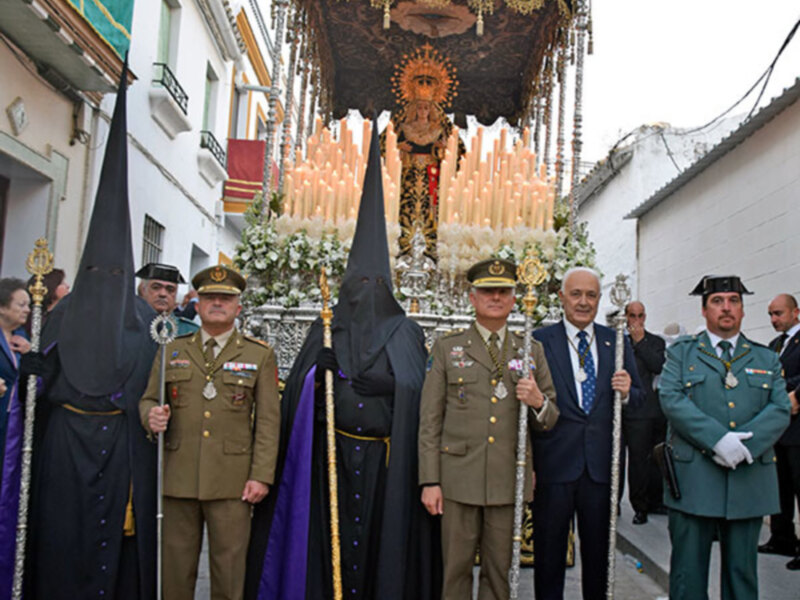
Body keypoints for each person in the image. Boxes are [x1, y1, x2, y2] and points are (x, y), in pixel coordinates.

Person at [245, 118, 439, 600]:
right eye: (360, 286)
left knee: (377, 550)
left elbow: (423, 392)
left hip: (384, 462)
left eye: (376, 286)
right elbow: (292, 399)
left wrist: (394, 387)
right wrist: (316, 374)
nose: (366, 295)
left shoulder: (406, 330)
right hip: (329, 459)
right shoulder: (326, 326)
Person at [0, 63, 159, 600]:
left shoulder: (148, 326)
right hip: (65, 447)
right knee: (62, 540)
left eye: (117, 274)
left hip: (121, 450)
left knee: (113, 544)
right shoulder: (58, 318)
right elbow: (30, 403)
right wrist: (32, 375)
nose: (108, 282)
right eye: (99, 273)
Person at [418, 258, 559, 600]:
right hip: (457, 478)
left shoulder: (530, 351)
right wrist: (430, 481)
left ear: (514, 299)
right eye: (487, 291)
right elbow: (430, 420)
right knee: (455, 570)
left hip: (507, 478)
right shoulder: (448, 349)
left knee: (500, 574)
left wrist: (538, 401)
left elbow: (551, 416)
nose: (495, 297)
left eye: (503, 291)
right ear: (472, 298)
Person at [140, 264, 280, 600]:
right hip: (178, 476)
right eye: (209, 297)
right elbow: (148, 399)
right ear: (197, 304)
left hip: (232, 481)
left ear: (238, 307)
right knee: (174, 572)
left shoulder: (258, 355)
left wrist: (261, 475)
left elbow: (268, 421)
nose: (217, 303)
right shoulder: (171, 349)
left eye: (225, 298)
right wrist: (151, 418)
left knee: (229, 573)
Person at [659, 275, 790, 599]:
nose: (727, 308)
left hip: (748, 479)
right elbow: (671, 398)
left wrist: (745, 446)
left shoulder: (767, 358)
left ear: (744, 310)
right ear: (704, 310)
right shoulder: (682, 355)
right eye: (718, 301)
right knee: (687, 577)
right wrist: (718, 440)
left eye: (734, 301)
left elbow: (780, 408)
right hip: (694, 481)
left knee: (742, 578)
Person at [531, 266, 643, 600]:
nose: (583, 302)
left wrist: (626, 392)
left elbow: (640, 400)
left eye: (591, 295)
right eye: (576, 294)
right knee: (548, 557)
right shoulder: (539, 340)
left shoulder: (617, 342)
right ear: (562, 297)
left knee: (599, 557)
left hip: (600, 470)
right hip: (554, 465)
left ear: (599, 299)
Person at [760, 293, 800, 566]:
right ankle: (782, 539)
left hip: (798, 429)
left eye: (779, 314)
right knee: (780, 488)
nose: (774, 319)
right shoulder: (774, 345)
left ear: (795, 312)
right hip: (778, 429)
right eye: (771, 315)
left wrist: (795, 393)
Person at [622, 301, 667, 524]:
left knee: (640, 462)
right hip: (618, 410)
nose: (636, 321)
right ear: (626, 317)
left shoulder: (655, 342)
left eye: (640, 316)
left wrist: (639, 343)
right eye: (632, 316)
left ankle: (641, 506)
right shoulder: (617, 342)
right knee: (615, 461)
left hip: (642, 411)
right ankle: (612, 505)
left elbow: (658, 365)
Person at [0, 278, 30, 476]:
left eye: (28, 305)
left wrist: (30, 355)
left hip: (12, 421)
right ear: (2, 307)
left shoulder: (23, 337)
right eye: (21, 305)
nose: (27, 310)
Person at [135, 262, 199, 336]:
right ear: (143, 290)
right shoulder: (125, 326)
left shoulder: (189, 331)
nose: (163, 294)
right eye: (156, 287)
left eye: (170, 289)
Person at [23, 268, 69, 336]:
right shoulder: (33, 316)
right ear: (52, 286)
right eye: (62, 283)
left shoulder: (67, 313)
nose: (67, 286)